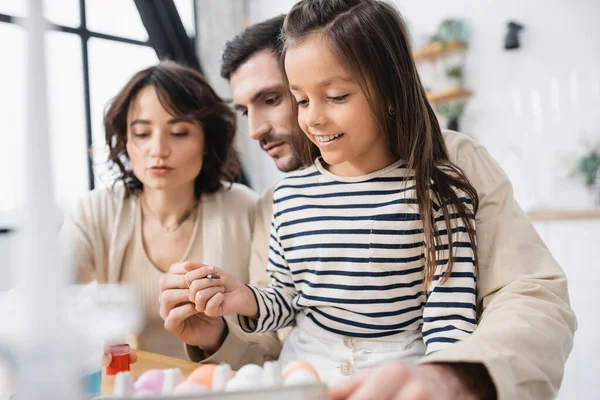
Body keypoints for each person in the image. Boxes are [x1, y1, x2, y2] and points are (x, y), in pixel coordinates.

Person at [160, 9, 576, 400]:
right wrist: (223, 322)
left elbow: (504, 300)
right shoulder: (282, 200)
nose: (254, 131)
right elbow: (280, 315)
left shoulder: (446, 172)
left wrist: (449, 374)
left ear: (385, 87)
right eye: (301, 99)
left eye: (272, 99)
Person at [58, 61, 281, 360]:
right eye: (141, 134)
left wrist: (216, 339)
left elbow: (272, 343)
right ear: (125, 140)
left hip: (221, 387)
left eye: (178, 132)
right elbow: (49, 303)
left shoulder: (246, 209)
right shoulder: (95, 211)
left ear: (206, 140)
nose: (158, 149)